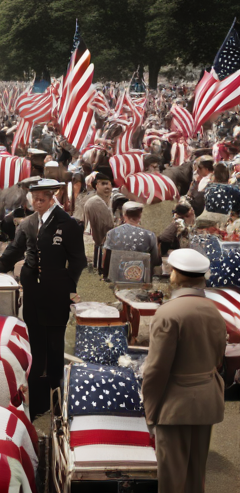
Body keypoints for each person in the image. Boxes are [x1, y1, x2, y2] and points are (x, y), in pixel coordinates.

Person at [0, 179, 87, 420]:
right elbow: (14, 250)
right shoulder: (27, 223)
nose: (37, 202)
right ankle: (36, 403)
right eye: (34, 199)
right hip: (32, 292)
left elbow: (79, 260)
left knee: (55, 347)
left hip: (56, 293)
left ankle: (57, 403)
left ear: (52, 197)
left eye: (42, 199)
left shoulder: (67, 224)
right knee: (36, 348)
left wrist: (68, 285)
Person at [142, 248, 226, 493]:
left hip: (175, 404)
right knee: (195, 476)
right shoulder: (215, 311)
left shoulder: (168, 313)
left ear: (176, 276)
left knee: (172, 479)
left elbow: (156, 370)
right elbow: (218, 358)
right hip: (206, 400)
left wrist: (150, 411)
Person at [103, 201, 160, 276]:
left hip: (116, 277)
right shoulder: (150, 235)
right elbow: (155, 260)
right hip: (140, 277)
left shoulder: (112, 233)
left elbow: (105, 259)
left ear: (124, 215)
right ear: (140, 216)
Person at [83, 173, 114, 274]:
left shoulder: (112, 198)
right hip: (101, 244)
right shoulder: (95, 202)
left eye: (108, 184)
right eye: (103, 184)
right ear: (96, 186)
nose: (106, 186)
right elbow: (107, 228)